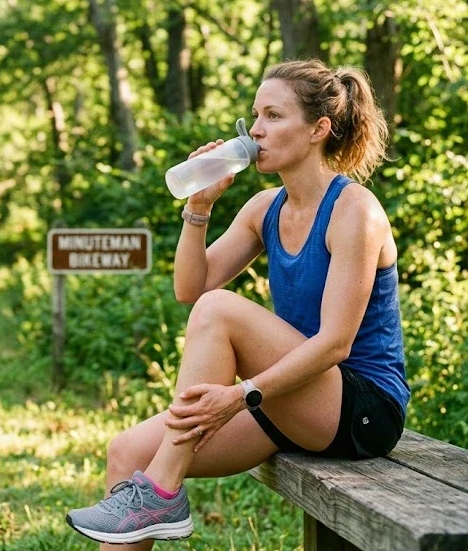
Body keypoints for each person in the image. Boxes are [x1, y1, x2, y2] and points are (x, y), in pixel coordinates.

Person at [66, 59, 408, 548]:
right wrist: (199, 207)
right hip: (287, 397)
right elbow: (190, 287)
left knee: (220, 309)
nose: (256, 130)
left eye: (273, 115)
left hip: (360, 409)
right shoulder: (265, 207)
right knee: (126, 453)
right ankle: (158, 488)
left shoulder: (355, 210)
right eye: (255, 115)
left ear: (319, 128)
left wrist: (241, 393)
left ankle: (161, 491)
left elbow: (335, 344)